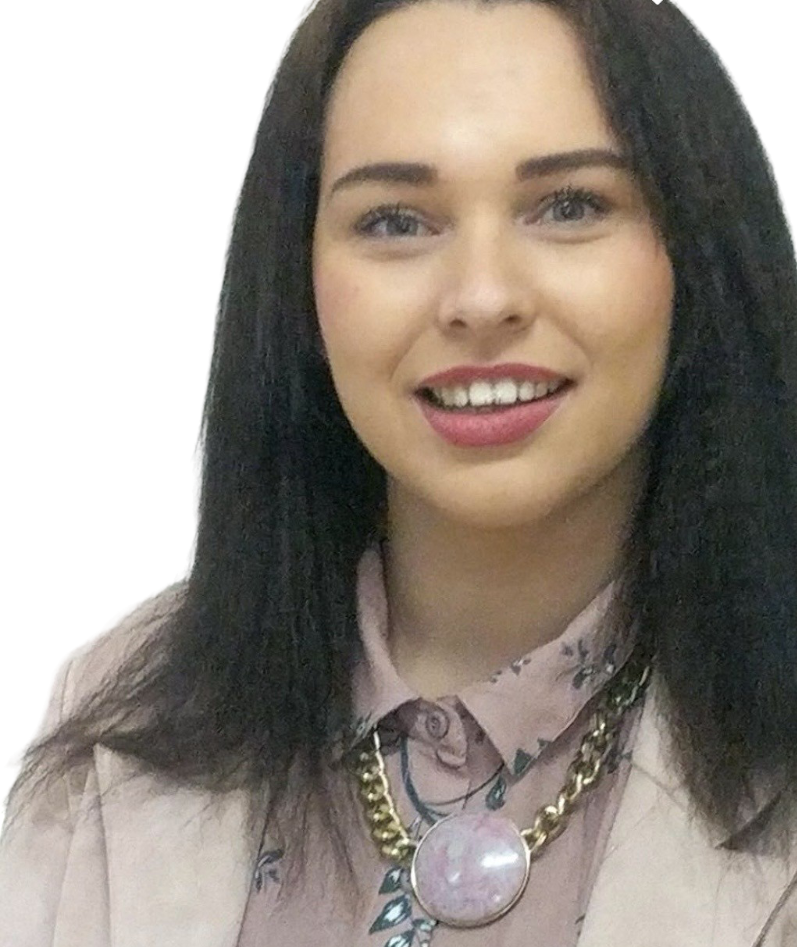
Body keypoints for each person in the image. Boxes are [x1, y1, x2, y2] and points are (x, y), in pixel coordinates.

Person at [3, 0, 797, 943]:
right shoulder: (125, 714)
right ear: (297, 284)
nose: (481, 298)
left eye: (570, 205)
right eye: (394, 221)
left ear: (698, 254)